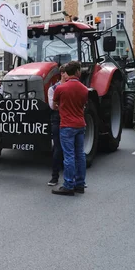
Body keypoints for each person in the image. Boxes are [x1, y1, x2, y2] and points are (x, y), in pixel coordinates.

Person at [52, 61, 88, 196]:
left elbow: (54, 105)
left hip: (67, 125)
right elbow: (83, 105)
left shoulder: (60, 88)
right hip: (80, 124)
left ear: (67, 72)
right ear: (77, 71)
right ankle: (80, 184)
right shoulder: (84, 89)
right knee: (80, 155)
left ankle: (68, 185)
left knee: (69, 156)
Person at [47, 65, 67, 186]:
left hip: (64, 118)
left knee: (68, 149)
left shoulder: (55, 89)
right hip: (58, 119)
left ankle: (72, 178)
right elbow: (52, 106)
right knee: (58, 147)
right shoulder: (53, 89)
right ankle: (55, 176)